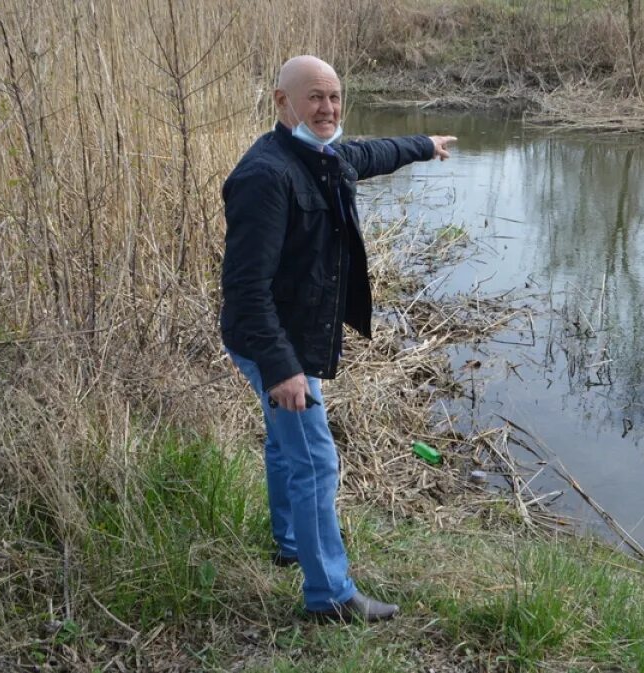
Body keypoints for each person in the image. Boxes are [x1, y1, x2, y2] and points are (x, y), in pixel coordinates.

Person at [219, 55, 456, 623]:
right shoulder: (265, 176)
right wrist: (282, 370)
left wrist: (423, 145)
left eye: (334, 96)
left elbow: (367, 154)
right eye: (314, 98)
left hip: (294, 333)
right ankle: (329, 596)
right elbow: (245, 288)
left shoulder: (320, 157)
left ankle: (290, 545)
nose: (327, 109)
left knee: (285, 446)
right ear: (282, 102)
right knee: (316, 460)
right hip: (276, 343)